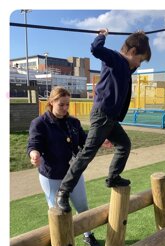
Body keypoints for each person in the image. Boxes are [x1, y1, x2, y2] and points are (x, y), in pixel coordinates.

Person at [55, 29, 151, 212]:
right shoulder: (114, 59)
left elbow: (134, 59)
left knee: (124, 144)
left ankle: (113, 177)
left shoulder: (127, 67)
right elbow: (95, 49)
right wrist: (102, 36)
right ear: (131, 52)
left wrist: (140, 37)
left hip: (112, 119)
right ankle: (63, 192)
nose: (139, 64)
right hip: (102, 115)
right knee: (86, 154)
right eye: (140, 59)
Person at [27, 86, 102, 246]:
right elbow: (34, 144)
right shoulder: (39, 123)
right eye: (61, 104)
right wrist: (34, 154)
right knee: (58, 213)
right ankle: (61, 242)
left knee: (82, 207)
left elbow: (85, 140)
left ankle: (88, 235)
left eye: (68, 104)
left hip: (73, 173)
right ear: (51, 102)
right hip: (51, 176)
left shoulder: (73, 122)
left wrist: (101, 140)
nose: (65, 108)